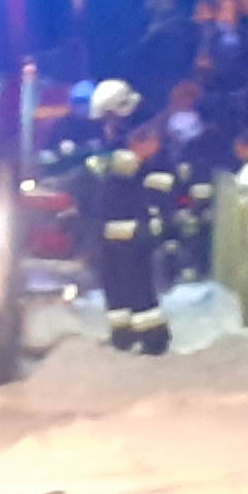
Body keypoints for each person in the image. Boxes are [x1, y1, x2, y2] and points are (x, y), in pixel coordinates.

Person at [77, 81, 173, 354]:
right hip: (114, 224)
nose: (106, 123)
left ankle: (154, 338)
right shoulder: (122, 133)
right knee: (114, 283)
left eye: (109, 116)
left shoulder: (145, 128)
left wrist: (153, 220)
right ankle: (122, 335)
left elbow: (145, 172)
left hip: (136, 223)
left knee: (138, 284)